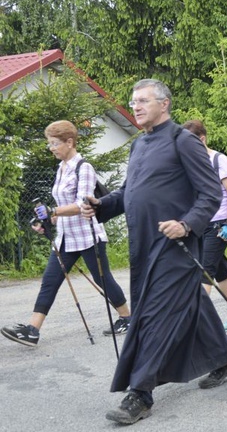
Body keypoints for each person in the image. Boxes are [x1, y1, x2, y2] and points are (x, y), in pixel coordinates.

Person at [83, 79, 227, 425]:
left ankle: (140, 392)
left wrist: (186, 224)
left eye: (142, 101)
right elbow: (129, 193)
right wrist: (101, 205)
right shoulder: (139, 146)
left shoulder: (182, 141)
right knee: (191, 305)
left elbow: (211, 193)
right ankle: (225, 356)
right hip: (144, 247)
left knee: (153, 315)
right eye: (133, 101)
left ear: (164, 104)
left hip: (177, 247)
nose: (135, 106)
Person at [1, 121, 131, 347]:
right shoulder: (61, 168)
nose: (51, 148)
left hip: (88, 236)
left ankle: (127, 318)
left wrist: (53, 210)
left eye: (54, 143)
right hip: (65, 237)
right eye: (49, 143)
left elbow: (82, 204)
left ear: (69, 142)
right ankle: (33, 330)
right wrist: (48, 221)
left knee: (103, 279)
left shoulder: (84, 167)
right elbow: (62, 205)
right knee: (49, 282)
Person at [183, 120, 227, 331]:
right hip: (201, 224)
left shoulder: (219, 160)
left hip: (219, 225)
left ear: (201, 139)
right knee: (220, 271)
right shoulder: (193, 163)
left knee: (204, 271)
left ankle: (193, 324)